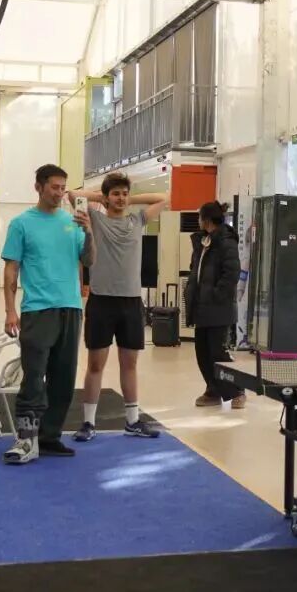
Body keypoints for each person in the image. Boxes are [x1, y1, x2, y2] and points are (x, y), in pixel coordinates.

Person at [2, 164, 96, 465]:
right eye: (54, 187)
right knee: (34, 376)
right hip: (38, 309)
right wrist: (10, 310)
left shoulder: (72, 222)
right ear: (39, 187)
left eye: (63, 188)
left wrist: (89, 231)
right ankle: (25, 438)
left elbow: (88, 259)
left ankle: (49, 437)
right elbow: (11, 269)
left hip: (71, 308)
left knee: (63, 377)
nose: (59, 193)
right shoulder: (21, 224)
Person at [66, 174, 168, 441]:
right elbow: (72, 195)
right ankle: (88, 423)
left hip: (131, 302)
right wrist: (101, 198)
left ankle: (132, 421)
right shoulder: (96, 219)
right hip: (102, 301)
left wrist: (129, 199)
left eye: (124, 193)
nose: (121, 198)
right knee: (95, 364)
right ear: (107, 197)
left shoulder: (137, 220)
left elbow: (163, 198)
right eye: (116, 194)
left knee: (129, 364)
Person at [186, 201, 245, 409]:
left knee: (217, 353)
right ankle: (213, 390)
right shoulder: (203, 242)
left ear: (207, 219)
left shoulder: (226, 242)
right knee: (202, 353)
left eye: (200, 217)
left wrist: (215, 295)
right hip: (202, 308)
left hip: (219, 309)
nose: (198, 221)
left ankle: (237, 390)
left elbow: (231, 273)